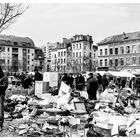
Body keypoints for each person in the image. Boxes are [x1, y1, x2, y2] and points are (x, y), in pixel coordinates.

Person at [0, 66, 8, 131]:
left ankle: (0, 125)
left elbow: (5, 86)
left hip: (1, 95)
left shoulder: (4, 77)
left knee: (0, 111)